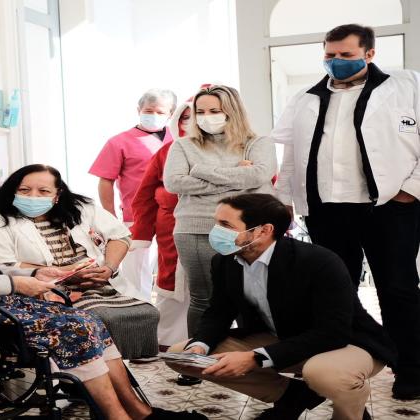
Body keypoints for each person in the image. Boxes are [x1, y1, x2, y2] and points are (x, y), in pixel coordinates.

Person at [0, 168, 205, 420]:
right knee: (76, 325)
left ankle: (139, 412)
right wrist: (14, 285)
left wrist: (35, 274)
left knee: (88, 322)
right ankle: (117, 415)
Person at [272, 23, 420, 401]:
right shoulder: (304, 98)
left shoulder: (407, 86)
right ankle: (351, 360)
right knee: (336, 291)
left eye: (346, 55)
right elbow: (291, 156)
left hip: (388, 207)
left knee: (398, 288)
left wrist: (410, 190)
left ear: (369, 54)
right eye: (330, 55)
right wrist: (285, 201)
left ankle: (411, 367)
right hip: (326, 209)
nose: (335, 62)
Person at [165, 193, 395, 420]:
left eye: (226, 225)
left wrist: (255, 358)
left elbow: (333, 331)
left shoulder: (318, 261)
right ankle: (292, 395)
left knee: (324, 374)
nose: (216, 232)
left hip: (347, 342)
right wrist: (200, 347)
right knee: (181, 356)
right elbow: (218, 312)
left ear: (264, 231)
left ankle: (350, 408)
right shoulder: (225, 261)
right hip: (283, 337)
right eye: (217, 223)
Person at [0, 164, 160, 360]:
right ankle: (98, 367)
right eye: (24, 190)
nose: (33, 197)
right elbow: (7, 266)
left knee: (147, 313)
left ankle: (120, 364)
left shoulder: (80, 208)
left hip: (99, 281)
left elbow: (120, 236)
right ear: (13, 190)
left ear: (57, 194)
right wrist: (66, 272)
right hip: (51, 290)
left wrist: (108, 268)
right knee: (102, 317)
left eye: (43, 191)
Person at [163, 85, 276, 338]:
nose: (206, 116)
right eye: (200, 111)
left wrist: (200, 170)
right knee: (203, 298)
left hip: (245, 230)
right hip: (195, 228)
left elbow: (260, 175)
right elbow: (174, 183)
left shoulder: (259, 142)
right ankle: (196, 360)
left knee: (249, 297)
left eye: (214, 110)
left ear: (232, 111)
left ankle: (250, 360)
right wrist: (238, 174)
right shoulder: (182, 146)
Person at [130, 89, 205, 350]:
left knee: (216, 289)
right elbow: (144, 197)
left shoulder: (237, 150)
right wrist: (141, 235)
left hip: (218, 233)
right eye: (185, 117)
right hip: (171, 234)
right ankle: (167, 343)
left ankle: (211, 342)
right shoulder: (166, 153)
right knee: (172, 286)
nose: (192, 122)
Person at [90, 89, 177, 301]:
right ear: (138, 110)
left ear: (171, 113)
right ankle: (141, 312)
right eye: (149, 110)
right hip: (135, 215)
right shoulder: (119, 142)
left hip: (172, 214)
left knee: (171, 271)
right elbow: (105, 180)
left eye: (160, 111)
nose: (154, 115)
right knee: (137, 270)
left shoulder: (177, 140)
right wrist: (109, 216)